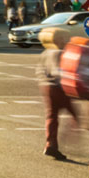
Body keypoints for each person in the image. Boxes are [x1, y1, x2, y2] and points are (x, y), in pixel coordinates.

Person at [37, 26, 77, 160]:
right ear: (58, 39)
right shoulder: (59, 53)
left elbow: (40, 70)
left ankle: (51, 144)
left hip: (47, 87)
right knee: (77, 115)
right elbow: (60, 72)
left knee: (52, 116)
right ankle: (72, 142)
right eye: (64, 38)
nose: (67, 40)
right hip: (60, 88)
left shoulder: (46, 52)